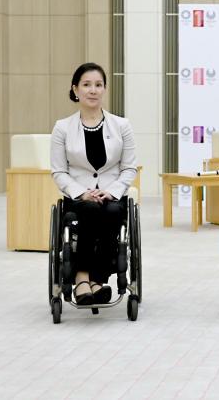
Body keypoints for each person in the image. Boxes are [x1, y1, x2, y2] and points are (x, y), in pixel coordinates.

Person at [51, 62, 137, 306]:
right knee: (89, 209)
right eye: (87, 85)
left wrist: (111, 192)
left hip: (112, 195)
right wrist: (82, 193)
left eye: (98, 85)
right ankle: (82, 277)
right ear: (75, 89)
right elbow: (59, 171)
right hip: (78, 198)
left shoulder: (121, 126)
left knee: (110, 211)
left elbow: (129, 167)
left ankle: (96, 279)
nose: (93, 90)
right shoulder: (62, 128)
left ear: (104, 89)